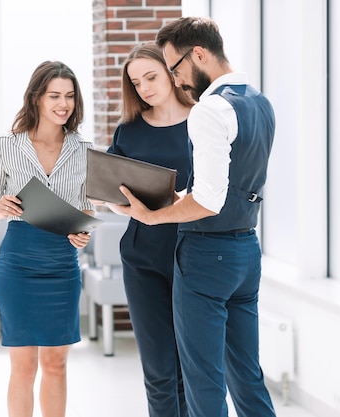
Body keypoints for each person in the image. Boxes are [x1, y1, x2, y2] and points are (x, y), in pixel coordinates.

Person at [112, 17, 277, 417]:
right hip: (245, 250)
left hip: (205, 256)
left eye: (174, 68)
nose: (176, 79)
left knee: (203, 383)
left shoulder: (208, 110)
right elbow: (229, 184)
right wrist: (174, 196)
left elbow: (208, 199)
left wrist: (152, 216)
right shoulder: (259, 101)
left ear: (198, 54)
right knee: (246, 376)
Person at [0, 61, 94, 417]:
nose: (64, 104)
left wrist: (83, 235)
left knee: (57, 363)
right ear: (37, 98)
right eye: (55, 96)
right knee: (24, 365)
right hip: (18, 262)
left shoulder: (84, 150)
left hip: (61, 264)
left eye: (70, 97)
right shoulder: (6, 146)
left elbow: (85, 210)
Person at [102, 42, 193, 417]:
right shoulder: (130, 130)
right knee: (157, 370)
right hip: (142, 258)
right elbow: (106, 184)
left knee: (194, 368)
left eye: (151, 76)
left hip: (193, 255)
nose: (144, 88)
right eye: (136, 82)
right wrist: (116, 202)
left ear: (171, 72)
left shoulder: (203, 120)